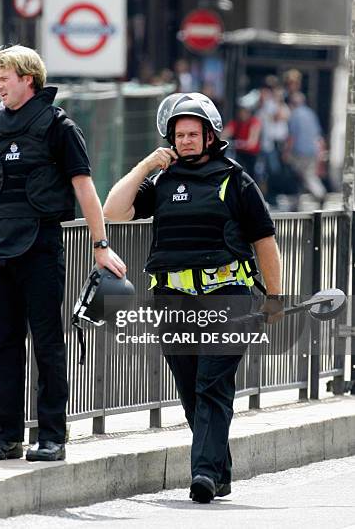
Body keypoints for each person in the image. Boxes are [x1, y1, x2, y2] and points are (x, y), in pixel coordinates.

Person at [103, 92, 282, 503]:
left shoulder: (236, 180)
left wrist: (274, 297)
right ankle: (220, 473)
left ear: (209, 136)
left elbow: (265, 242)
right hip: (172, 300)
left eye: (192, 133)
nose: (184, 141)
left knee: (211, 385)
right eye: (178, 134)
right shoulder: (162, 182)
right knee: (190, 389)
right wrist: (147, 165)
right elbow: (114, 210)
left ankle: (202, 474)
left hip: (229, 297)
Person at [0, 45, 126, 462]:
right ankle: (8, 436)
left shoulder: (59, 126)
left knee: (47, 342)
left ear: (27, 78)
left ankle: (51, 436)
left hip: (41, 246)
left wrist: (100, 245)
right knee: (3, 344)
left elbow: (85, 188)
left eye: (4, 79)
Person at [283, 92, 327, 210]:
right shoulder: (311, 113)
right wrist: (320, 152)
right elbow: (317, 135)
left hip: (299, 152)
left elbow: (292, 137)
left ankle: (320, 193)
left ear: (293, 103)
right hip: (312, 151)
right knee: (301, 176)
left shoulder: (294, 115)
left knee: (305, 175)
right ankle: (296, 202)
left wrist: (286, 152)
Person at [222, 93, 262, 179]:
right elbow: (225, 134)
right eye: (240, 111)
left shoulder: (254, 122)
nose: (242, 113)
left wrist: (235, 143)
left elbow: (252, 143)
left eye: (244, 111)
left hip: (251, 155)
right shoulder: (236, 122)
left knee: (252, 177)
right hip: (239, 154)